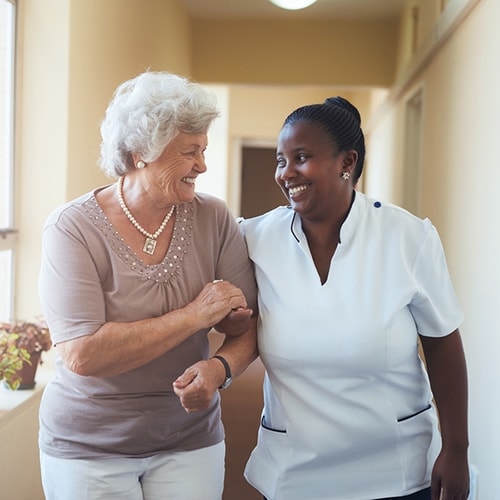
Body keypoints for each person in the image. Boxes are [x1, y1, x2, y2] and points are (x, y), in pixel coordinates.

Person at [178, 96, 470, 500]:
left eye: (301, 157)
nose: (286, 173)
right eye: (281, 160)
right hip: (294, 471)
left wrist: (456, 448)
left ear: (347, 163)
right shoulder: (254, 238)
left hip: (397, 469)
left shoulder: (407, 238)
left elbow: (442, 344)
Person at [37, 71, 257, 500]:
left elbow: (246, 326)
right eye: (190, 151)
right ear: (141, 152)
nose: (203, 165)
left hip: (190, 438)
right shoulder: (72, 228)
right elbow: (83, 354)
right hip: (88, 447)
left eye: (204, 149)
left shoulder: (214, 218)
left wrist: (220, 367)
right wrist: (196, 315)